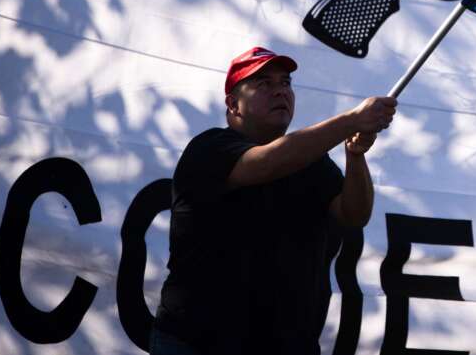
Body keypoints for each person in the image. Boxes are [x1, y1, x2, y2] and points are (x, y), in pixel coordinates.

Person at [149, 46, 397, 355]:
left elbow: (353, 214)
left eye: (285, 82)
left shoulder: (313, 161)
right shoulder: (209, 148)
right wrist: (351, 120)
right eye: (263, 83)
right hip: (198, 344)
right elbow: (265, 163)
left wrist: (355, 156)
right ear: (233, 105)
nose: (280, 91)